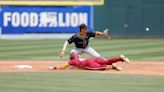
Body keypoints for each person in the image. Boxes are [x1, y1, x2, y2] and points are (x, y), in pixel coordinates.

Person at [51, 52, 130, 71]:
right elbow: (73, 67)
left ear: (71, 58)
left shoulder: (72, 61)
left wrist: (57, 68)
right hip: (93, 59)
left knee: (100, 68)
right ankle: (120, 58)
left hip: (88, 63)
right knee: (107, 61)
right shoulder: (79, 57)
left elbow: (64, 66)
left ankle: (113, 67)